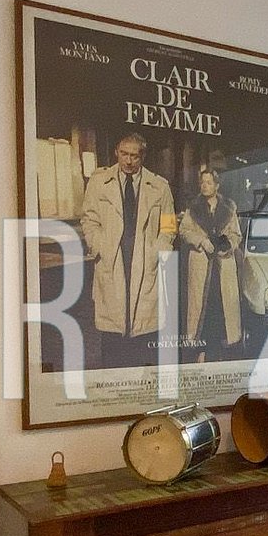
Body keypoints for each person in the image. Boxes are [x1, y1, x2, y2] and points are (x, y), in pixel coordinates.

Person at [79, 133, 174, 366]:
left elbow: (169, 226)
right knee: (113, 335)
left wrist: (156, 253)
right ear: (116, 152)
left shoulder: (160, 187)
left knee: (144, 335)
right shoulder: (99, 182)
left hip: (145, 263)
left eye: (134, 156)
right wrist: (99, 246)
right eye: (124, 154)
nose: (128, 161)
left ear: (143, 156)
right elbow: (89, 220)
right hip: (112, 261)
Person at [178, 168, 250, 362]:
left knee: (221, 306)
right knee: (202, 307)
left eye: (209, 182)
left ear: (217, 185)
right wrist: (201, 241)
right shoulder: (193, 207)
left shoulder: (229, 207)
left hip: (223, 266)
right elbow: (184, 231)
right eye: (202, 182)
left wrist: (228, 245)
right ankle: (201, 351)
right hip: (201, 264)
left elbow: (236, 234)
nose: (205, 186)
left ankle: (219, 351)